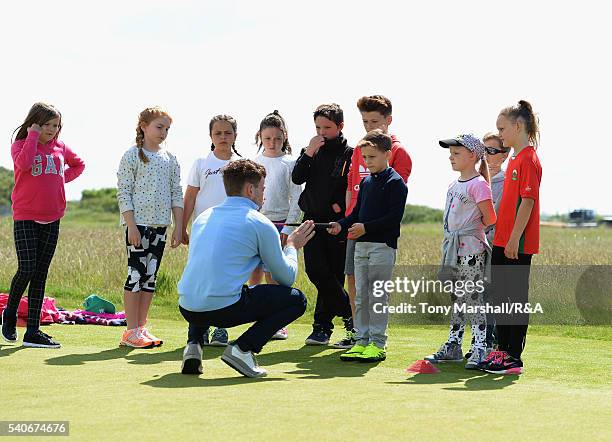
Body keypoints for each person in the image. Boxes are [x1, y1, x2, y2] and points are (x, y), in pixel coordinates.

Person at [178, 159, 314, 377]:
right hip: (223, 309)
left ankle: (193, 346)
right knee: (296, 299)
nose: (264, 195)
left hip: (187, 307)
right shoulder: (259, 222)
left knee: (208, 284)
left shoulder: (203, 217)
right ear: (250, 190)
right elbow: (286, 279)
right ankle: (243, 349)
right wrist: (292, 246)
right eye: (262, 189)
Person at [2, 102, 85, 348]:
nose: (52, 129)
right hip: (26, 216)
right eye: (47, 125)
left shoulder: (61, 147)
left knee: (40, 274)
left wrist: (61, 178)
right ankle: (10, 312)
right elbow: (25, 164)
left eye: (56, 125)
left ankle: (33, 331)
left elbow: (79, 165)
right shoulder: (20, 145)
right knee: (27, 268)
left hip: (53, 217)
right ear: (34, 123)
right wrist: (33, 135)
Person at [337, 95, 412, 349]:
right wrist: (343, 224)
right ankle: (361, 338)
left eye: (371, 158)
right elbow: (355, 206)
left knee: (377, 295)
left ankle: (376, 343)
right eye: (365, 158)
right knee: (359, 294)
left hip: (381, 243)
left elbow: (392, 214)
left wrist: (365, 227)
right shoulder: (367, 176)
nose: (367, 162)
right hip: (359, 241)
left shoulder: (396, 173)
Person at [424, 134, 496, 369]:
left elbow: (490, 217)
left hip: (471, 250)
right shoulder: (454, 185)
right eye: (451, 153)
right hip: (454, 251)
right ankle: (454, 344)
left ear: (472, 156)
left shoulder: (479, 184)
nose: (451, 157)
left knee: (473, 299)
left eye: (456, 153)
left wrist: (472, 229)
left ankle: (480, 348)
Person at [480, 100, 542, 375]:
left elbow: (527, 202)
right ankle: (502, 351)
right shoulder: (516, 158)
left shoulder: (529, 158)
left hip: (516, 243)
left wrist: (515, 238)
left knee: (514, 298)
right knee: (501, 297)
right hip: (503, 241)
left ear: (518, 126)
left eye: (502, 129)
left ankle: (513, 357)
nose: (500, 134)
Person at [116, 106, 183, 348]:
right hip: (138, 226)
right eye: (159, 127)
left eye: (167, 128)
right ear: (144, 126)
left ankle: (141, 328)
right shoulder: (132, 155)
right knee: (135, 275)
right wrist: (131, 225)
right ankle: (130, 330)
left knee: (150, 278)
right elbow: (123, 192)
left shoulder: (170, 159)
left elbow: (177, 193)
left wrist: (178, 226)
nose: (163, 132)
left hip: (160, 228)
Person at [291, 103, 353, 346]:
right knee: (316, 272)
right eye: (318, 127)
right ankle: (350, 314)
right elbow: (297, 177)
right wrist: (308, 152)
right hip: (311, 221)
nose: (322, 131)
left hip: (336, 223)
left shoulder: (350, 152)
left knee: (333, 276)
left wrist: (340, 206)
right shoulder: (311, 149)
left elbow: (349, 185)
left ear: (340, 126)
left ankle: (321, 329)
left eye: (327, 127)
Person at [182, 115, 242, 347]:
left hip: (232, 231)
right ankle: (199, 329)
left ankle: (222, 328)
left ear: (235, 135)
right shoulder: (201, 163)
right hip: (203, 230)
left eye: (228, 133)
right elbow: (190, 197)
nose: (223, 137)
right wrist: (182, 227)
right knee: (202, 278)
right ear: (211, 136)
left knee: (228, 280)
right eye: (218, 133)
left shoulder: (241, 164)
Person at [251, 110, 302, 340]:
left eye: (277, 138)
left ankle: (277, 322)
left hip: (282, 225)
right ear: (260, 136)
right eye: (268, 138)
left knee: (275, 275)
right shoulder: (253, 162)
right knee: (255, 272)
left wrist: (288, 230)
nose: (272, 143)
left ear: (285, 137)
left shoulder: (291, 163)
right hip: (257, 223)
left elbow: (297, 199)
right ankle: (253, 317)